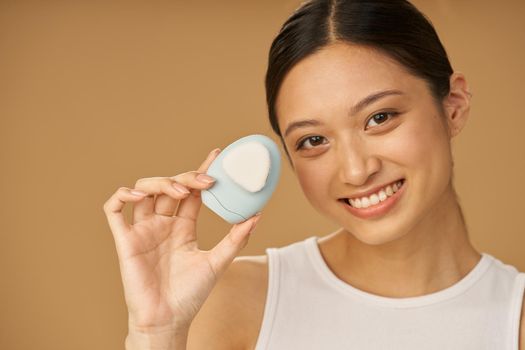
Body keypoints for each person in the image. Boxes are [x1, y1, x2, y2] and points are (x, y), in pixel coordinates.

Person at [103, 0, 525, 349]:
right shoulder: (234, 302)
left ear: (453, 105)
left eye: (379, 117)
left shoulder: (516, 319)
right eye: (312, 141)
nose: (357, 171)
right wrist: (157, 333)